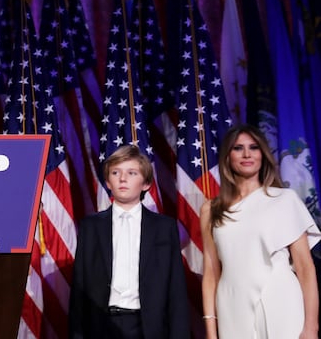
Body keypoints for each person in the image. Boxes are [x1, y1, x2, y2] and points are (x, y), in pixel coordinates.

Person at [201, 124, 320, 339]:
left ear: (263, 155)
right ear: (227, 157)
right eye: (238, 148)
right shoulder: (211, 209)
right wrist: (211, 333)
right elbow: (211, 274)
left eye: (254, 147)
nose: (247, 154)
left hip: (281, 300)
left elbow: (305, 267)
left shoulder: (284, 200)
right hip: (232, 305)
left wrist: (311, 327)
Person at [69, 145, 189, 339]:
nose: (122, 179)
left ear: (146, 184)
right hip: (102, 326)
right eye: (116, 172)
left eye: (132, 173)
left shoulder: (163, 227)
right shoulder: (90, 227)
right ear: (108, 182)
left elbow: (175, 289)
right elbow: (79, 289)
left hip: (147, 327)